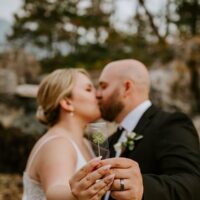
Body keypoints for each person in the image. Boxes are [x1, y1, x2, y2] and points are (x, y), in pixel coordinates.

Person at [70, 59, 200, 200]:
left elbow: (192, 184)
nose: (97, 94)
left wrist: (143, 187)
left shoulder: (170, 124)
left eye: (103, 86)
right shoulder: (111, 140)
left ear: (126, 88)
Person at [22, 68, 115, 200]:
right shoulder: (58, 144)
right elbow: (56, 189)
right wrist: (75, 195)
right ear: (67, 103)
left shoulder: (85, 142)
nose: (98, 95)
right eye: (89, 89)